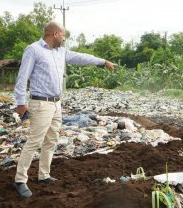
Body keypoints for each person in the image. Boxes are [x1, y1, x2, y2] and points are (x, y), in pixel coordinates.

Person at [13, 21, 117, 198]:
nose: (64, 38)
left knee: (51, 140)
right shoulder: (33, 50)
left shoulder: (60, 52)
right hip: (40, 103)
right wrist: (20, 104)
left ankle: (43, 175)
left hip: (56, 103)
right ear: (54, 34)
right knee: (34, 141)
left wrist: (103, 62)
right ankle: (20, 180)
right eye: (63, 35)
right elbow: (22, 78)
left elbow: (81, 57)